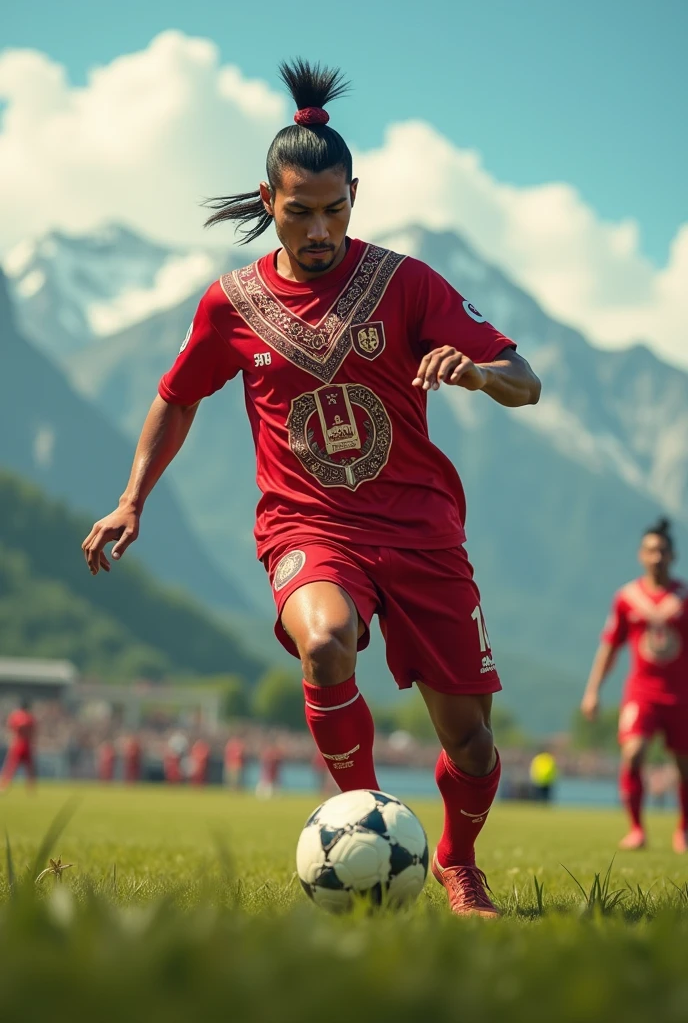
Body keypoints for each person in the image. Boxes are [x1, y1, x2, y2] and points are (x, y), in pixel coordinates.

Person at [81, 60, 541, 916]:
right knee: (325, 642)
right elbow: (176, 397)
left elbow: (527, 380)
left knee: (471, 746)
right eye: (300, 212)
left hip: (421, 530)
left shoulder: (406, 282)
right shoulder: (230, 305)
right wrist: (131, 499)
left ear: (355, 195)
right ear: (269, 200)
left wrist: (479, 375)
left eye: (335, 209)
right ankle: (364, 833)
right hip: (307, 526)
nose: (319, 228)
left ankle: (457, 860)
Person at [581, 519, 688, 853]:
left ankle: (682, 831)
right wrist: (593, 690)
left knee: (684, 765)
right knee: (633, 753)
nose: (656, 557)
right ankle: (637, 829)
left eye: (663, 551)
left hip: (682, 695)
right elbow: (610, 646)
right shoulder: (627, 598)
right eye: (651, 550)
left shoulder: (684, 598)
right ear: (641, 555)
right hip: (642, 692)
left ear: (673, 556)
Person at [0, 698, 37, 792]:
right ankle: (30, 787)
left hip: (17, 742)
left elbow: (10, 727)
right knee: (28, 766)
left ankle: (4, 785)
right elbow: (33, 731)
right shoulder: (29, 717)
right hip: (25, 743)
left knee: (12, 765)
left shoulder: (15, 716)